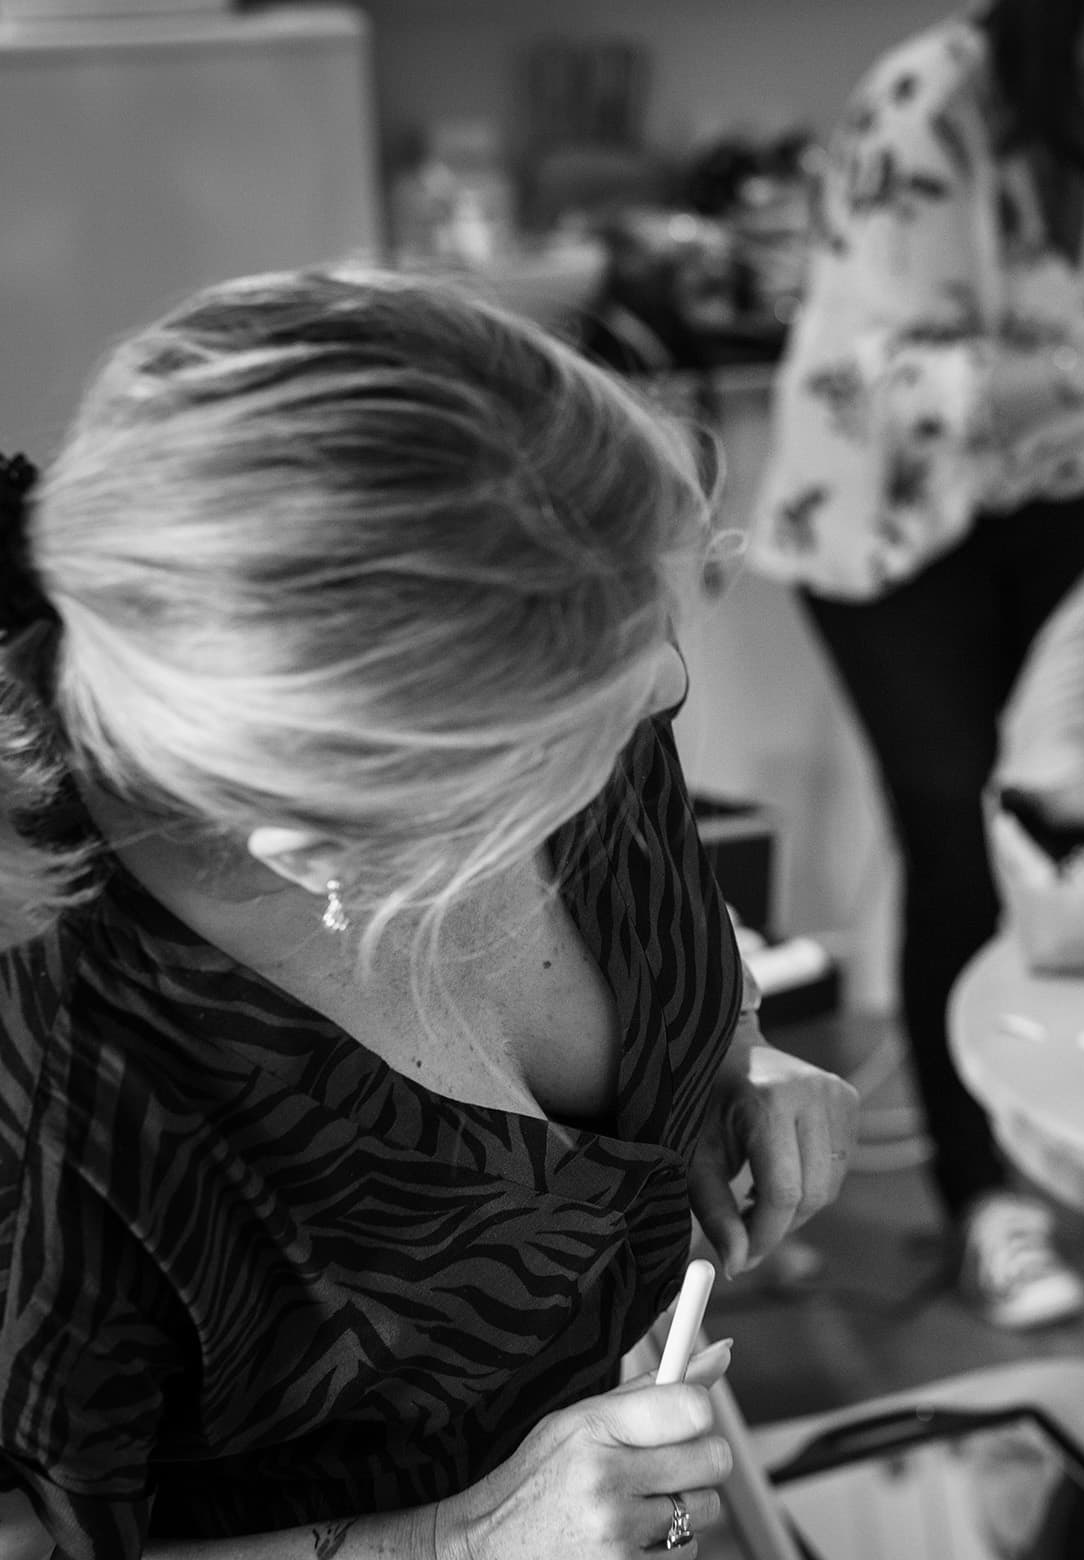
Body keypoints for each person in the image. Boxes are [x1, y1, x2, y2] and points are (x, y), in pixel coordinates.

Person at [0, 269, 860, 1560]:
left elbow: (646, 918)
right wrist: (455, 1541)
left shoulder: (567, 653)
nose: (667, 687)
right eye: (596, 715)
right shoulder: (62, 1107)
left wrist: (726, 1044)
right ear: (341, 847)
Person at [750, 0, 1084, 1328]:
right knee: (958, 829)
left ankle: (1080, 1126)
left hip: (1081, 493)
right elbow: (864, 376)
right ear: (1034, 48)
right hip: (896, 525)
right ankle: (987, 1205)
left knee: (1073, 815)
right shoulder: (926, 107)